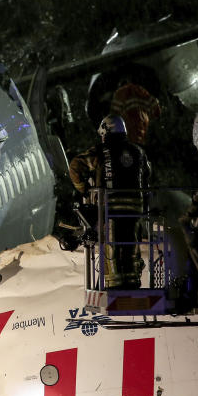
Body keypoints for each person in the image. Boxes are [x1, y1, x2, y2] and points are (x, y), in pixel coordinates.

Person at [68, 115, 151, 288]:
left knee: (112, 249)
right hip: (135, 210)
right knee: (130, 247)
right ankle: (132, 281)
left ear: (106, 131)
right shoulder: (138, 151)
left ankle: (115, 284)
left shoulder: (101, 151)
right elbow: (148, 175)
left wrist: (83, 189)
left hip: (110, 209)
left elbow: (75, 166)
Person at [109, 81, 161, 147]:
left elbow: (114, 115)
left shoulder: (119, 94)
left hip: (130, 125)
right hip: (142, 123)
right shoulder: (140, 90)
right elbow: (155, 107)